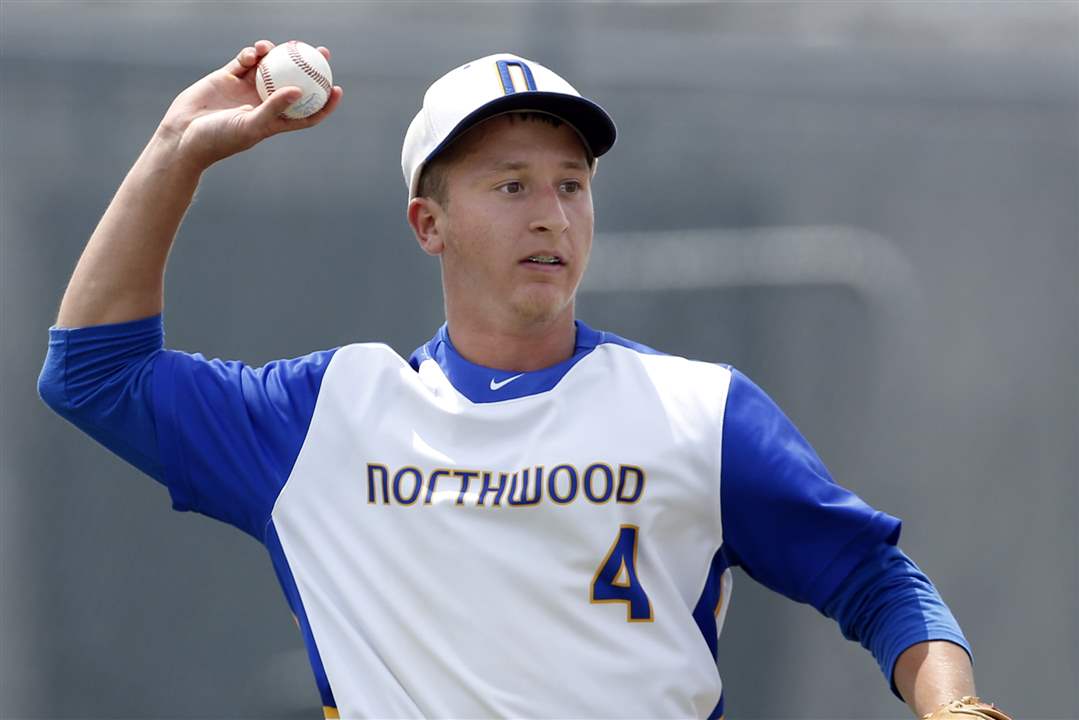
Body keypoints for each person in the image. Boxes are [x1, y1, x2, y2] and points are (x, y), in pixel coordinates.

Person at [38, 43, 1012, 720]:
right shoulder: (324, 419)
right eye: (510, 185)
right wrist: (175, 151)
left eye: (570, 183)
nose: (550, 213)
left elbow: (874, 579)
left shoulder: (697, 412)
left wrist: (950, 704)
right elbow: (91, 373)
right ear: (428, 224)